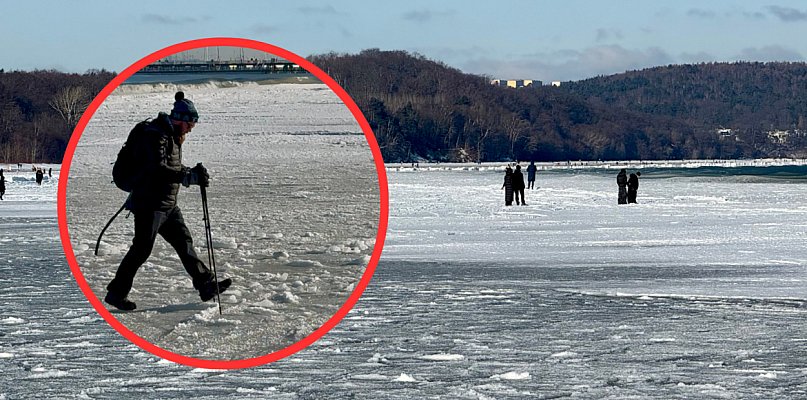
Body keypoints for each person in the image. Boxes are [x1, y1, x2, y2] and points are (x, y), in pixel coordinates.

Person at [104, 91, 231, 311]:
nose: (192, 128)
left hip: (167, 204)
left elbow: (169, 166)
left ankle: (206, 285)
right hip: (149, 204)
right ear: (180, 119)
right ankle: (116, 293)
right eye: (191, 123)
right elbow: (158, 169)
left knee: (184, 243)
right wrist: (188, 177)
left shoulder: (172, 135)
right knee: (141, 250)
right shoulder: (156, 135)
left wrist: (191, 172)